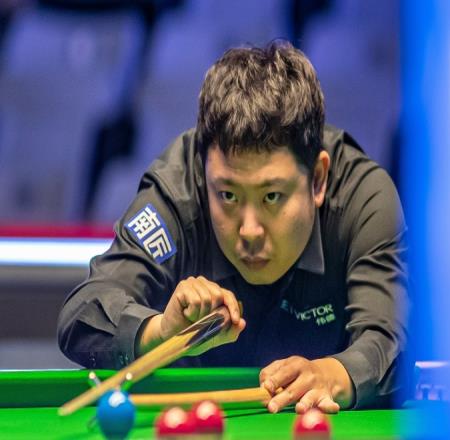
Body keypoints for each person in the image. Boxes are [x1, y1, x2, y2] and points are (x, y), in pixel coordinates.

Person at [58, 40, 412, 413]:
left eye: (272, 196)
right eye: (228, 195)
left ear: (318, 179)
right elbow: (83, 313)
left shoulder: (362, 199)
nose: (249, 232)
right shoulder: (178, 194)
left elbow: (393, 338)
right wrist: (161, 330)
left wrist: (335, 374)